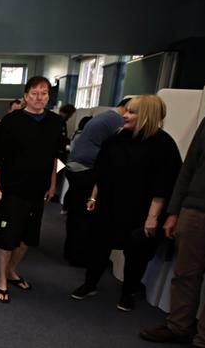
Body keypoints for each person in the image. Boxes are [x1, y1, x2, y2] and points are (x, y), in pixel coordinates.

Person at [71, 95, 182, 312]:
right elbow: (101, 173)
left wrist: (152, 218)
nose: (126, 115)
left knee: (136, 253)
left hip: (141, 210)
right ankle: (90, 283)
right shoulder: (116, 140)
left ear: (147, 115)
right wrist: (93, 197)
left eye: (132, 112)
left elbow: (165, 185)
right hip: (109, 204)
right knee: (97, 246)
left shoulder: (164, 145)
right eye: (127, 111)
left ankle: (128, 292)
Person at [139, 111, 205, 346]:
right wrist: (174, 211)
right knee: (185, 273)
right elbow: (189, 167)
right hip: (194, 208)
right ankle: (178, 326)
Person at [0, 76, 63, 303]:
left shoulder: (56, 123)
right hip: (11, 190)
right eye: (34, 93)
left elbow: (55, 158)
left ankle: (12, 270)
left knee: (27, 238)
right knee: (7, 236)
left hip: (37, 190)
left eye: (44, 93)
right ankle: (2, 278)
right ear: (26, 96)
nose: (39, 98)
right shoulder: (11, 122)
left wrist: (52, 184)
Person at [63, 99, 128, 266]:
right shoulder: (116, 120)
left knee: (76, 213)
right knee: (86, 215)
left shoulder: (103, 117)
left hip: (75, 168)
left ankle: (71, 252)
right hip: (87, 170)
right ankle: (79, 256)